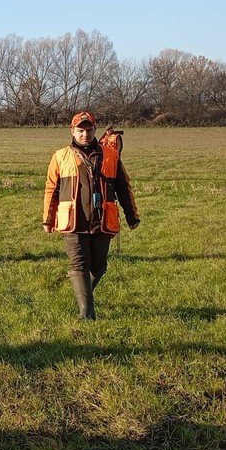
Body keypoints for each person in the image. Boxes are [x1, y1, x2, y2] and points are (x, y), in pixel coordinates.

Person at [43, 111, 140, 320]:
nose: (85, 134)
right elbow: (52, 189)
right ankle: (86, 313)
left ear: (95, 130)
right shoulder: (60, 156)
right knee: (78, 264)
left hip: (102, 220)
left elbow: (123, 187)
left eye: (89, 130)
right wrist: (48, 218)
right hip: (73, 221)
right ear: (72, 131)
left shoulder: (111, 156)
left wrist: (131, 216)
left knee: (99, 266)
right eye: (80, 130)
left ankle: (84, 295)